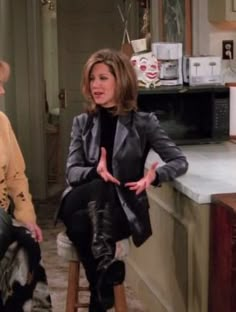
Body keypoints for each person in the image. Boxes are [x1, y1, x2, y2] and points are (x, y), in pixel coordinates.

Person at [57, 48, 188, 312]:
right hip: (80, 197)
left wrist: (154, 176)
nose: (95, 85)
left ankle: (99, 289)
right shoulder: (82, 122)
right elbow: (71, 173)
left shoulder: (143, 123)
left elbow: (179, 161)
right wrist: (96, 171)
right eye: (92, 78)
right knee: (100, 184)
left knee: (83, 222)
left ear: (121, 80)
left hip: (120, 210)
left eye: (103, 78)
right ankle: (105, 274)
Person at [0, 60, 52, 311]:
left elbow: (16, 177)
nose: (2, 91)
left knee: (30, 244)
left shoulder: (2, 123)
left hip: (2, 219)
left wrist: (26, 217)